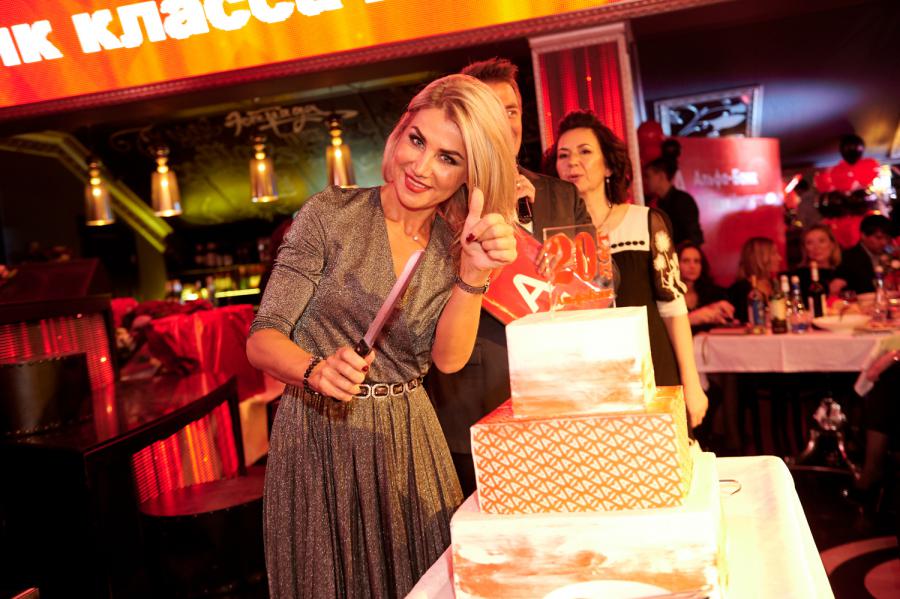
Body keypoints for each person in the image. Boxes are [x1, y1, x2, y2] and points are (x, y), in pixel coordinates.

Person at [246, 74, 518, 598]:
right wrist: (314, 369)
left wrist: (473, 273)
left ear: (470, 174)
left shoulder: (455, 245)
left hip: (409, 441)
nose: (421, 166)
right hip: (317, 438)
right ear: (400, 132)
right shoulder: (330, 215)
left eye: (448, 158)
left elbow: (449, 360)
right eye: (418, 140)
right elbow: (262, 338)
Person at [424, 57, 590, 496]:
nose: (505, 122)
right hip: (474, 404)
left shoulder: (562, 194)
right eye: (491, 111)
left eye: (512, 111)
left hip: (559, 396)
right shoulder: (440, 201)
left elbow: (596, 287)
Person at [551, 109, 708, 428]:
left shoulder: (645, 221)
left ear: (609, 166)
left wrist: (691, 383)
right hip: (588, 383)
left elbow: (673, 307)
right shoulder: (555, 236)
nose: (572, 162)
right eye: (563, 155)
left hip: (652, 369)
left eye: (584, 152)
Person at [644, 144, 704, 246]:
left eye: (648, 176)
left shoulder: (683, 201)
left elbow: (694, 237)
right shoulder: (656, 203)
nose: (646, 181)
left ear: (661, 176)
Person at [676, 241, 735, 333]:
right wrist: (692, 318)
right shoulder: (668, 296)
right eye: (686, 261)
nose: (692, 266)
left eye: (697, 261)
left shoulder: (713, 293)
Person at [831, 213, 893, 295]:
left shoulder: (889, 256)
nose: (884, 242)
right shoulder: (849, 258)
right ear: (863, 235)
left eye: (887, 238)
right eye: (879, 237)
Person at [726, 237, 781, 324]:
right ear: (758, 258)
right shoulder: (741, 290)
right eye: (773, 253)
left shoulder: (776, 285)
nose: (779, 258)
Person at [792, 224, 841, 300]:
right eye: (810, 243)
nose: (816, 247)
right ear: (805, 248)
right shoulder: (800, 277)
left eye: (821, 241)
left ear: (832, 244)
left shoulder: (842, 272)